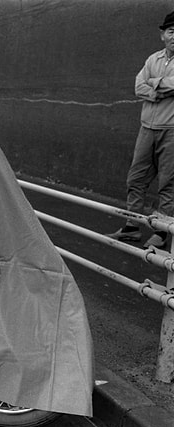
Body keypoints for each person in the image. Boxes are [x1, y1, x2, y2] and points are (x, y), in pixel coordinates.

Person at [107, 11, 174, 249]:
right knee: (135, 178)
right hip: (147, 128)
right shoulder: (152, 59)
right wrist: (160, 88)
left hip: (171, 130)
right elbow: (138, 86)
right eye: (171, 31)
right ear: (162, 35)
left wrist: (152, 84)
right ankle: (132, 227)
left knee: (168, 184)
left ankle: (162, 232)